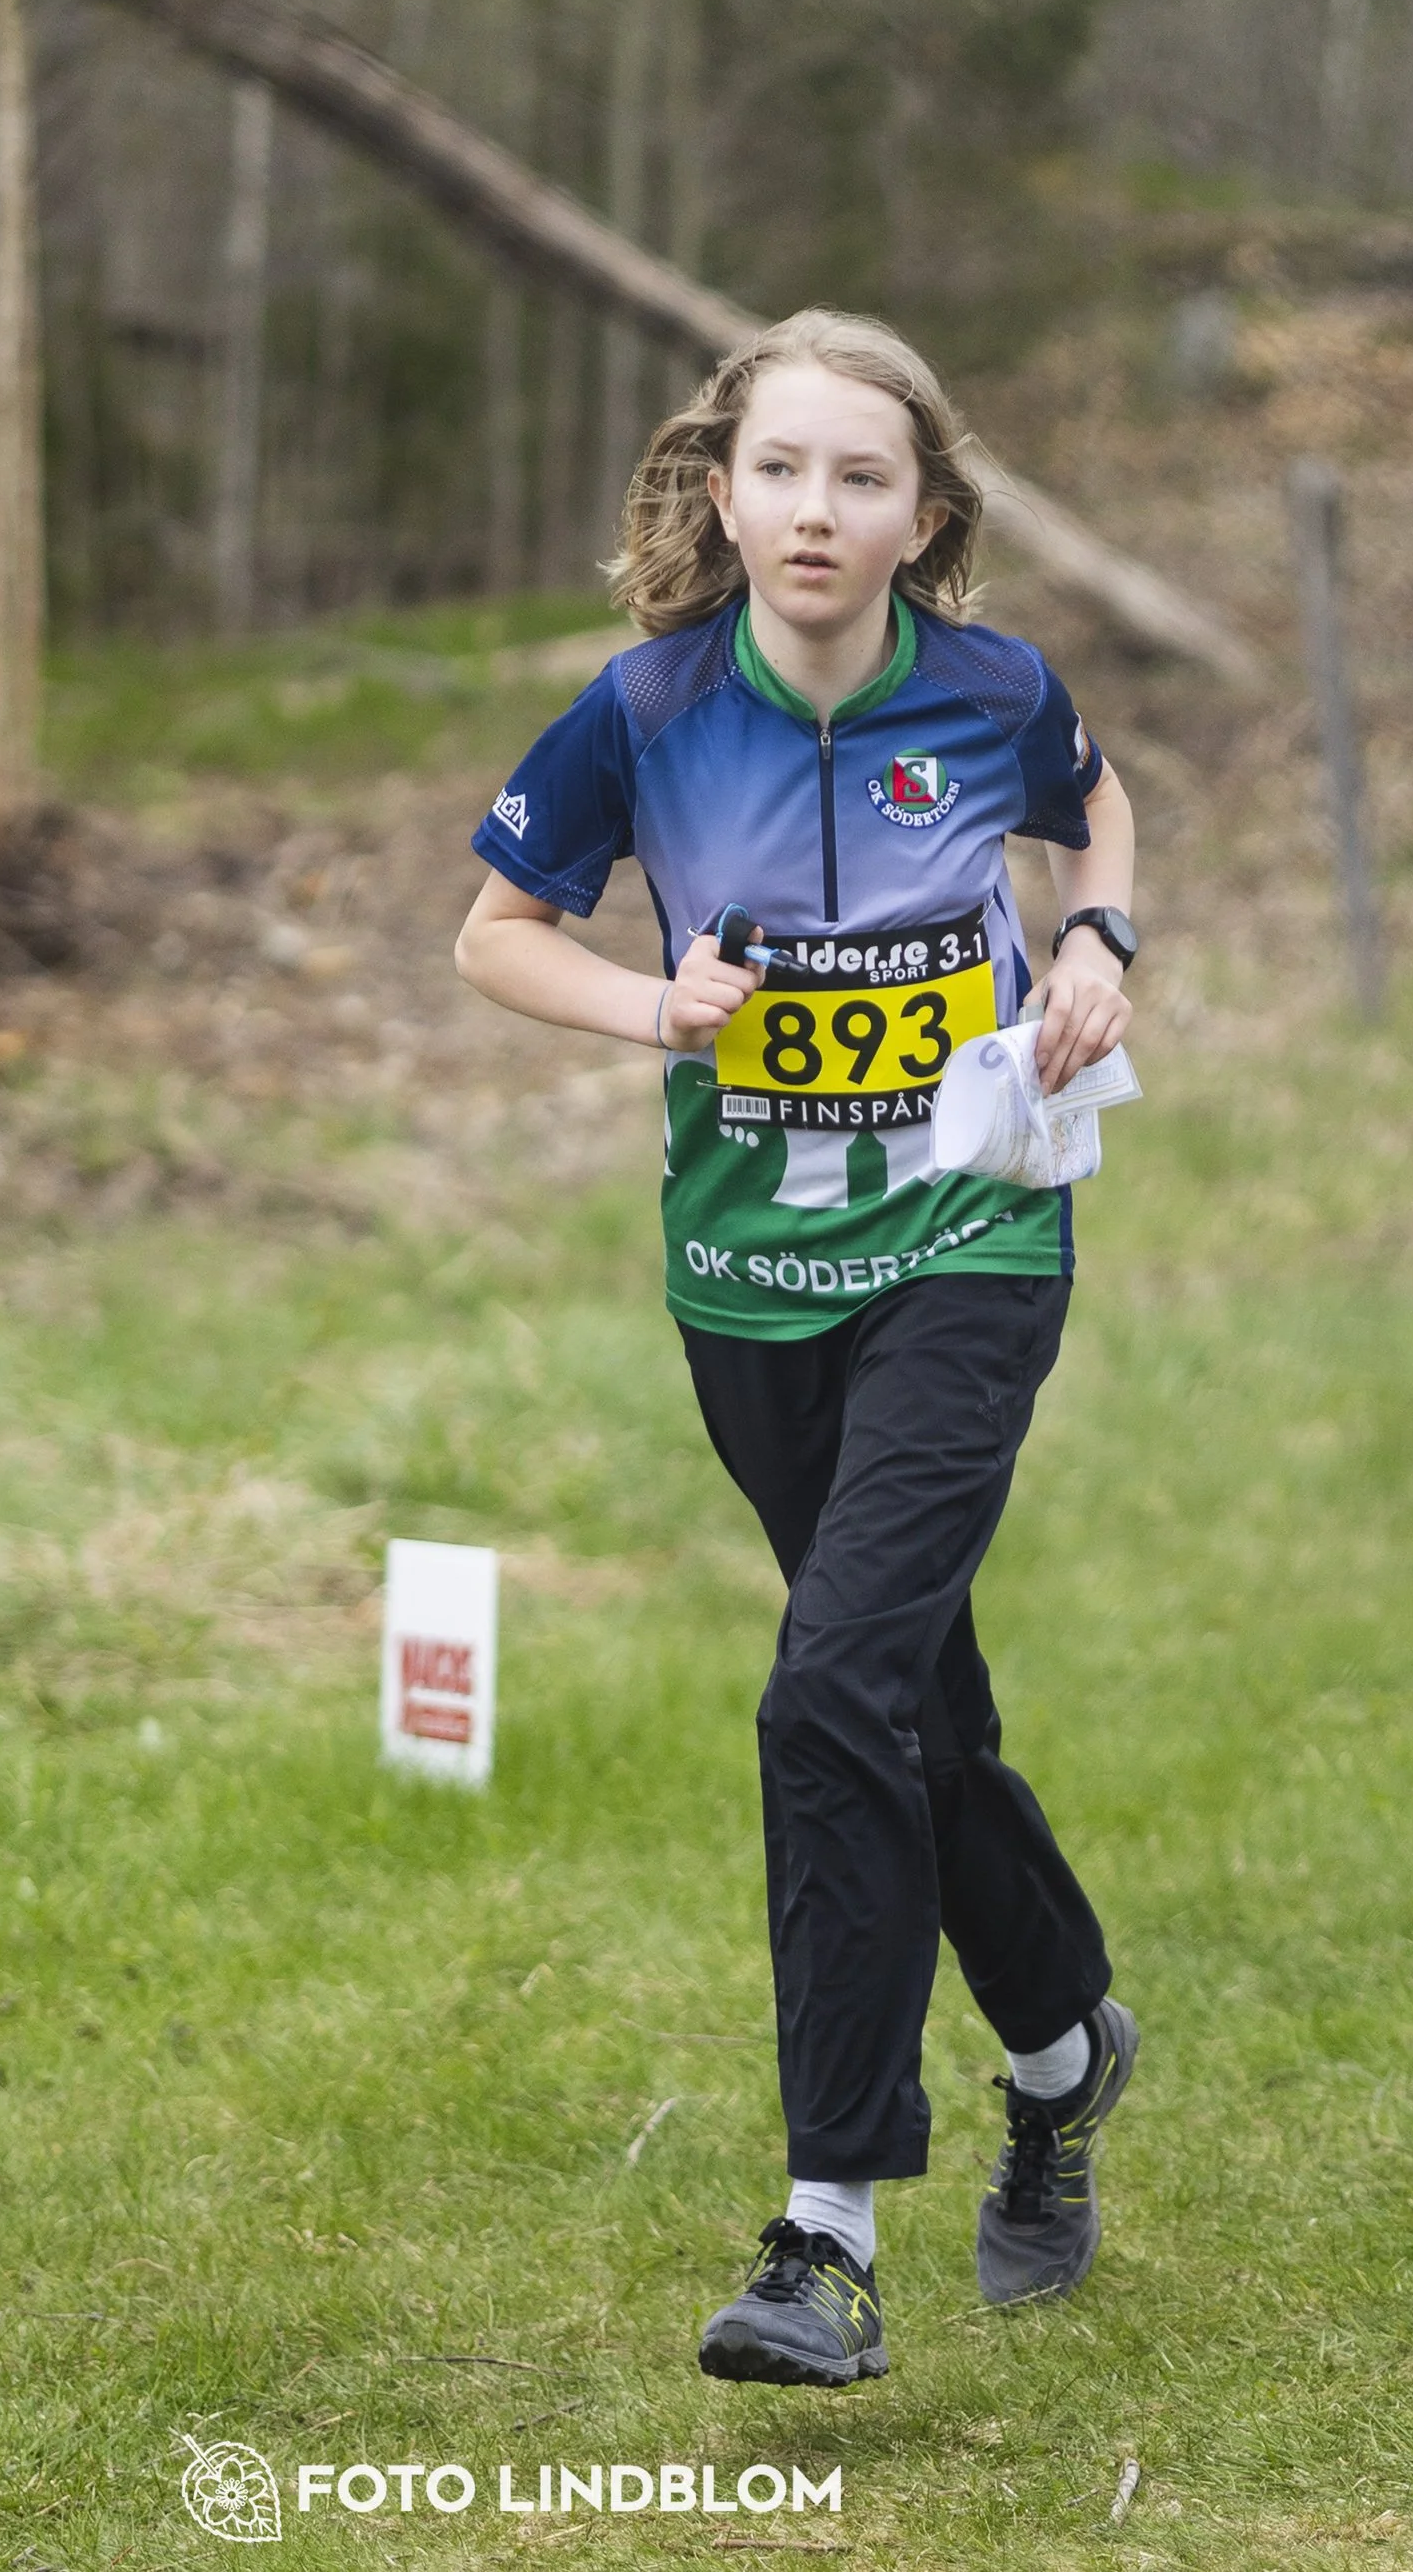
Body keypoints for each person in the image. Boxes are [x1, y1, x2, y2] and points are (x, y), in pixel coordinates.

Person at [454, 307, 1141, 2390]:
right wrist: (650, 1011)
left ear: (921, 514)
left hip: (969, 1241)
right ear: (722, 493)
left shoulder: (993, 691)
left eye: (860, 476)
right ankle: (1062, 2050)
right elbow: (492, 934)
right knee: (910, 1715)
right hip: (746, 1286)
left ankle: (824, 2228)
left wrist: (1095, 937)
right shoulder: (648, 711)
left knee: (825, 1688)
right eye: (779, 470)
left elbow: (1096, 808)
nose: (816, 509)